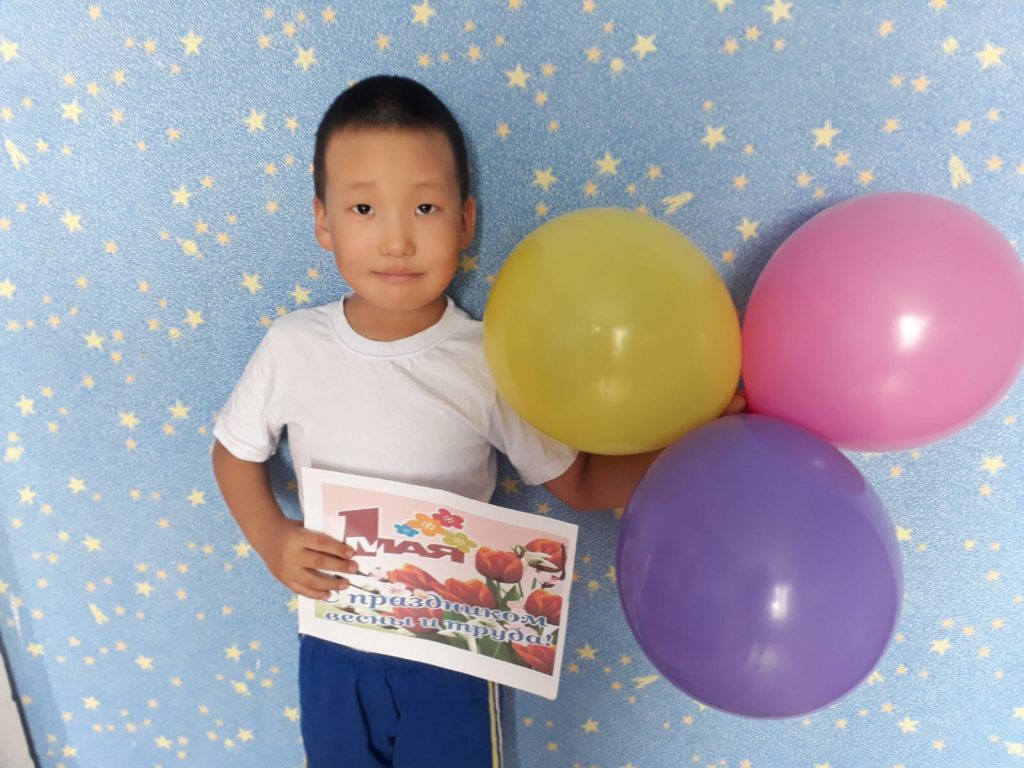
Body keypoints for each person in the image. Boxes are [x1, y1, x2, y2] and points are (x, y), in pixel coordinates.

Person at [211, 75, 743, 768]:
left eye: (424, 207)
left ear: (465, 222)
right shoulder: (293, 347)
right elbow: (234, 452)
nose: (396, 240)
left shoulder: (491, 360)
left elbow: (580, 481)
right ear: (323, 222)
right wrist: (271, 536)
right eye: (364, 207)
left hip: (455, 653)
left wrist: (697, 444)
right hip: (335, 643)